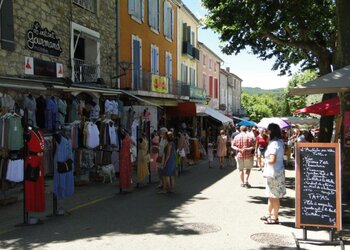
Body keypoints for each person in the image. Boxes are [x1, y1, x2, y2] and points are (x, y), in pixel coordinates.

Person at [261, 123, 286, 224]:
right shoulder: (279, 142)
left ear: (271, 131)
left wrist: (264, 161)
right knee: (271, 194)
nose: (266, 132)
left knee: (274, 196)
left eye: (267, 130)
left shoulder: (274, 144)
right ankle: (269, 214)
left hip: (274, 172)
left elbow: (272, 159)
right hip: (276, 171)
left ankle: (275, 217)